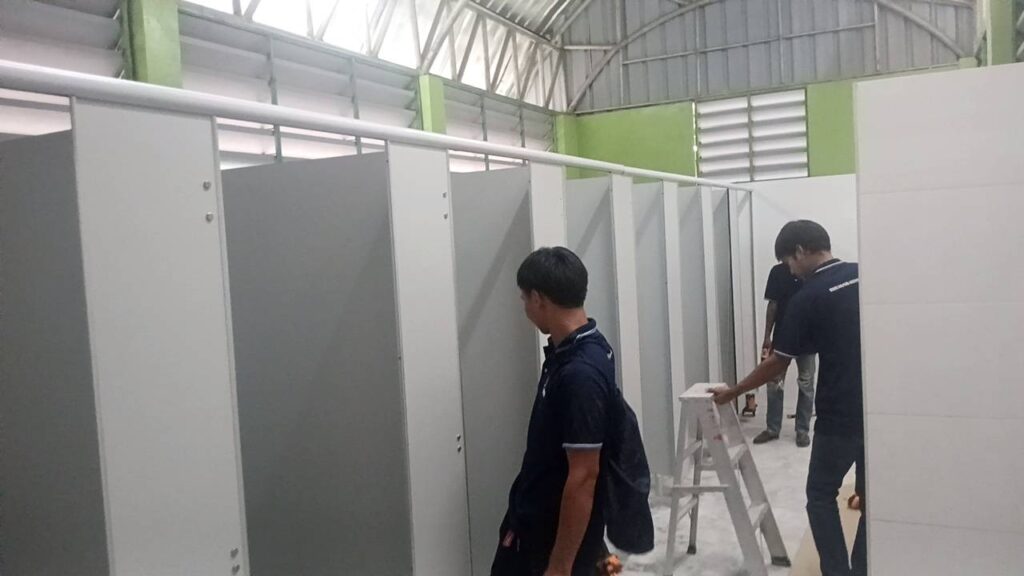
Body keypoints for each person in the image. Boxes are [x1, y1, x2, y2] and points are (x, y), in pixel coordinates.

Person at [711, 221, 865, 576]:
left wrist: (735, 391)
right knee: (870, 496)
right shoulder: (863, 275)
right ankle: (863, 568)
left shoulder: (808, 297)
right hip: (879, 410)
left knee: (821, 495)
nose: (791, 272)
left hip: (839, 415)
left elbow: (778, 363)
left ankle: (837, 572)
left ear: (800, 251)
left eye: (789, 263)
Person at [492, 247, 651, 576]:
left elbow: (584, 476)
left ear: (539, 299)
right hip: (534, 521)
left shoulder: (580, 373)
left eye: (524, 299)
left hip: (550, 537)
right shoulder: (580, 347)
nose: (524, 308)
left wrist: (560, 566)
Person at [750, 262, 817, 448]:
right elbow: (773, 305)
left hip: (808, 339)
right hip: (782, 338)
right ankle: (772, 428)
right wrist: (767, 336)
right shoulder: (777, 272)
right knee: (774, 384)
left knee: (806, 385)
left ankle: (802, 430)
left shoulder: (811, 270)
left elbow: (819, 304)